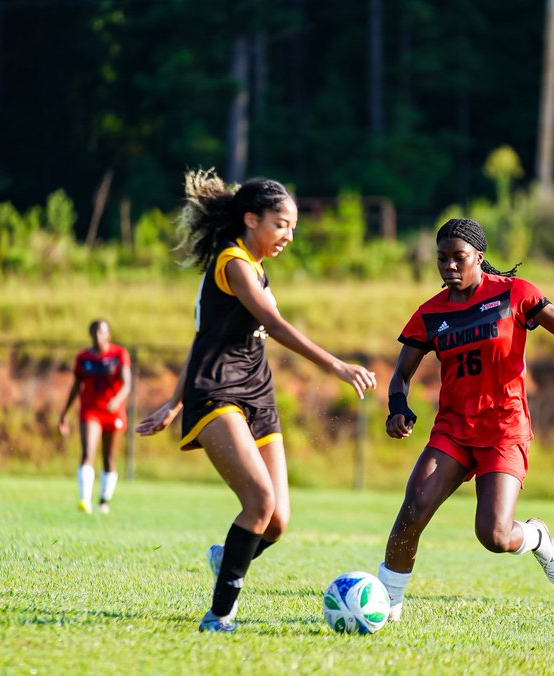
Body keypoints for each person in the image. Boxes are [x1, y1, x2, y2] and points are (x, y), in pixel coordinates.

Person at [136, 169, 376, 633]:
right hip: (216, 391)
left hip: (257, 392)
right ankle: (218, 615)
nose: (288, 235)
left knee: (277, 522)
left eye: (293, 228)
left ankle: (228, 556)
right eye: (281, 224)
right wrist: (337, 366)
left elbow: (206, 333)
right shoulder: (233, 263)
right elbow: (276, 326)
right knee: (259, 499)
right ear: (251, 219)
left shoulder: (258, 267)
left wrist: (170, 400)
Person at [376, 217, 554, 622]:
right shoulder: (429, 314)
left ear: (480, 258)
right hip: (453, 428)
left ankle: (537, 536)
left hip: (504, 428)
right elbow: (401, 375)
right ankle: (385, 606)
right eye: (442, 259)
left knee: (494, 536)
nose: (450, 266)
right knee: (412, 510)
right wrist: (398, 408)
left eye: (459, 258)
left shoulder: (514, 294)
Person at [59, 319, 132, 515]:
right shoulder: (83, 358)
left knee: (109, 458)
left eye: (102, 332)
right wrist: (64, 412)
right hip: (90, 410)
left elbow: (126, 384)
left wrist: (117, 401)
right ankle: (85, 500)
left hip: (113, 411)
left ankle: (103, 501)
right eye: (95, 332)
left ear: (108, 334)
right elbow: (76, 386)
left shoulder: (119, 354)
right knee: (87, 453)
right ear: (90, 334)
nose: (98, 336)